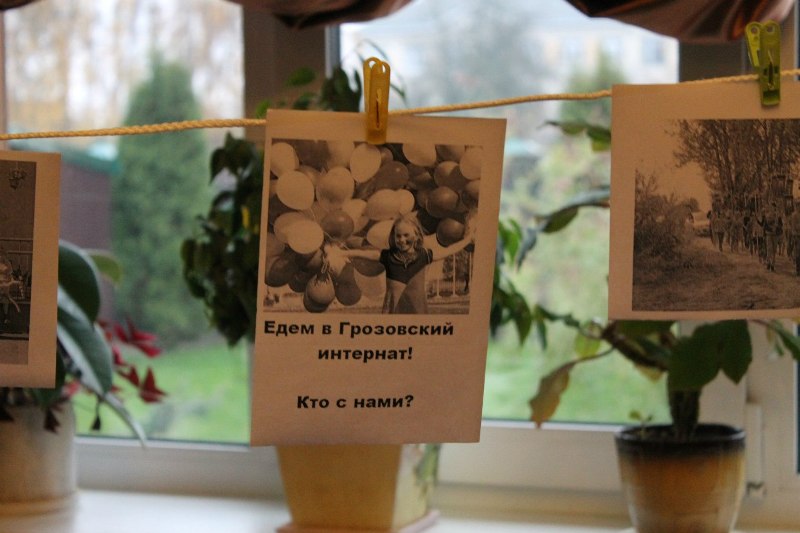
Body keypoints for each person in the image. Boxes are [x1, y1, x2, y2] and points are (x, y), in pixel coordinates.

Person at [335, 212, 474, 314]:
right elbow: (367, 254)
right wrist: (343, 253)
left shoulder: (423, 255)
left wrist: (467, 240)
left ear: (416, 235)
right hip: (393, 309)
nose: (402, 240)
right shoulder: (390, 255)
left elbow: (448, 251)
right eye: (398, 236)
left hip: (416, 308)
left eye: (406, 235)